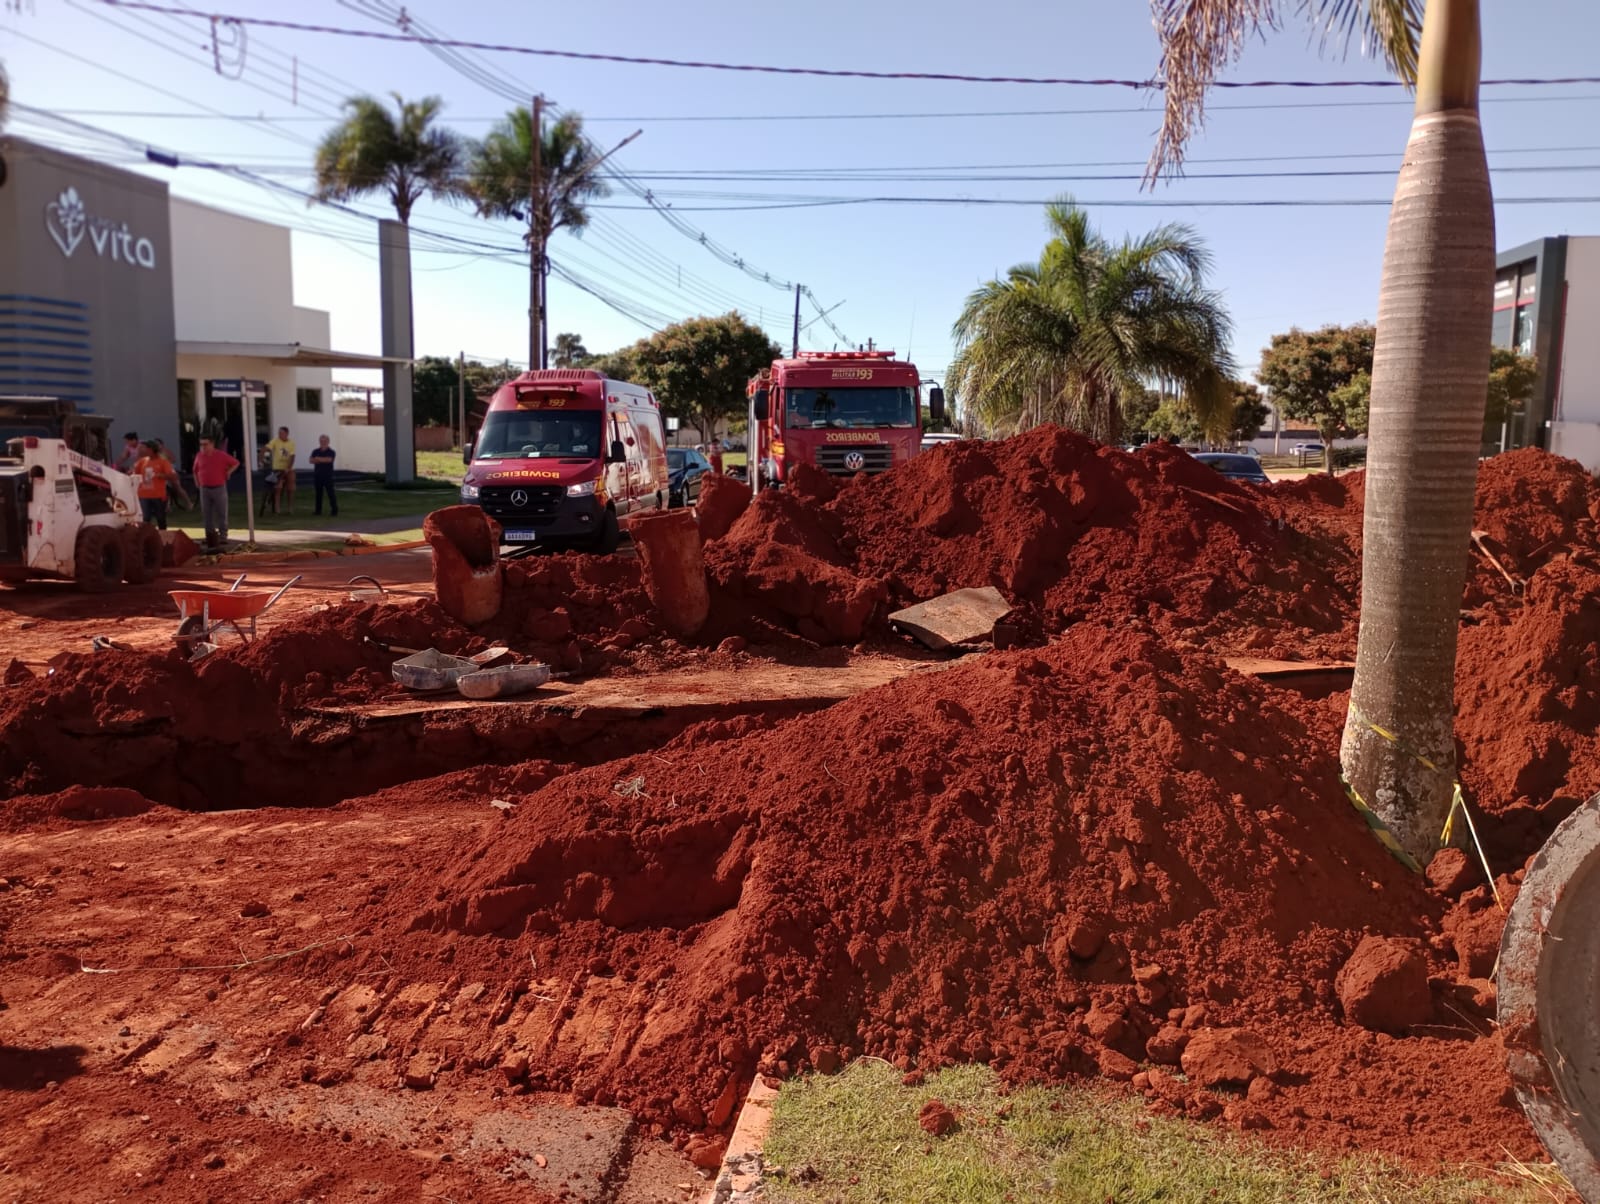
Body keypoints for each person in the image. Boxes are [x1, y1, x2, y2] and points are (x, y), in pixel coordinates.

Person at [192, 434, 239, 550]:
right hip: (205, 488)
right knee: (207, 514)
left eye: (205, 444)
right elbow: (195, 470)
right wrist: (196, 482)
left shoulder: (221, 455)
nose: (203, 447)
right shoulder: (199, 456)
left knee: (222, 512)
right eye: (201, 444)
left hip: (219, 487)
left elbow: (236, 463)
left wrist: (229, 472)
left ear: (212, 444)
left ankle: (223, 536)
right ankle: (210, 536)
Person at [131, 440, 182, 530]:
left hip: (158, 495)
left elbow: (174, 476)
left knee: (160, 518)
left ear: (151, 450)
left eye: (146, 448)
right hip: (144, 495)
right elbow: (134, 474)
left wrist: (161, 475)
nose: (144, 450)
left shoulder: (163, 462)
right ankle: (146, 539)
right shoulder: (142, 461)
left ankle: (163, 538)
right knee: (145, 519)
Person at [265, 426, 296, 514]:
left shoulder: (291, 443)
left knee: (290, 487)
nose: (280, 435)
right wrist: (263, 453)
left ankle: (290, 508)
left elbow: (292, 457)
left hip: (288, 468)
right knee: (278, 487)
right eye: (279, 433)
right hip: (277, 468)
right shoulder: (275, 441)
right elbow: (268, 447)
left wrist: (288, 468)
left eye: (281, 433)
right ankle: (277, 509)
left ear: (286, 434)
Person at [310, 434, 338, 517]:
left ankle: (334, 510)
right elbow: (311, 460)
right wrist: (322, 460)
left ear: (328, 442)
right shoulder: (315, 451)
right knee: (318, 494)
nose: (323, 442)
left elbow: (329, 460)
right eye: (321, 441)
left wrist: (318, 459)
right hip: (317, 475)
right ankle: (318, 511)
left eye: (324, 441)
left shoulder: (331, 452)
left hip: (328, 475)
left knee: (330, 493)